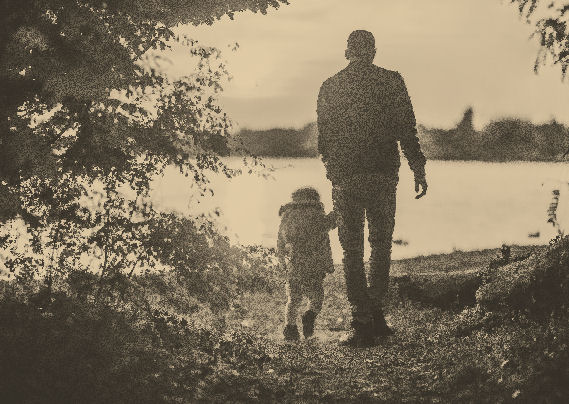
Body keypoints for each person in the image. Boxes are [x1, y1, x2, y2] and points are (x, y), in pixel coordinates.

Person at [317, 30, 428, 347]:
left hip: (347, 177)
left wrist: (333, 174)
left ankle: (362, 318)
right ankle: (375, 312)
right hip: (382, 174)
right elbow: (407, 128)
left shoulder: (330, 85)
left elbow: (324, 140)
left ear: (347, 51)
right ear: (375, 52)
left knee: (351, 250)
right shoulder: (392, 81)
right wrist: (417, 167)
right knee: (381, 244)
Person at [277, 187, 337, 341]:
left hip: (294, 266)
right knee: (317, 297)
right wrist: (338, 211)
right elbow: (330, 223)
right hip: (313, 266)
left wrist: (282, 261)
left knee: (293, 299)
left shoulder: (287, 217)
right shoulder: (316, 215)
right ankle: (309, 315)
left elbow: (280, 242)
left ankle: (290, 328)